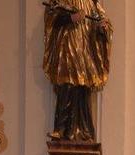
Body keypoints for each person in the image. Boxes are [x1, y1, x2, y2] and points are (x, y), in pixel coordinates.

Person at [43, 0, 112, 143]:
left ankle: (85, 131)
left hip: (85, 52)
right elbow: (51, 18)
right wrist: (70, 18)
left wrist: (102, 27)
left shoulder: (92, 3)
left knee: (83, 89)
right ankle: (61, 129)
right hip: (67, 50)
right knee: (67, 85)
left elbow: (102, 23)